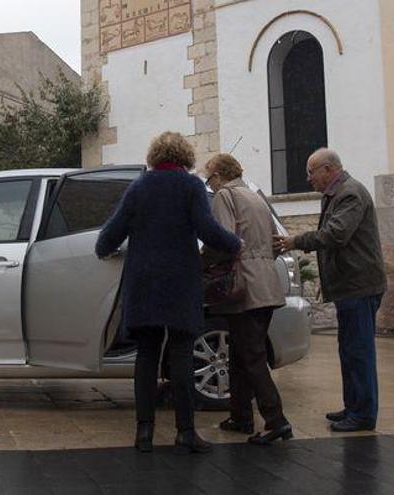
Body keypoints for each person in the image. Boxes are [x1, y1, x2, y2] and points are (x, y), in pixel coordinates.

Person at [95, 132, 242, 454]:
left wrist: (106, 250)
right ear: (184, 157)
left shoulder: (139, 187)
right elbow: (207, 229)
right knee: (181, 357)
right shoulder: (190, 186)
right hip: (180, 283)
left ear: (155, 155)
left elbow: (109, 235)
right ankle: (185, 432)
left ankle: (144, 433)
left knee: (146, 358)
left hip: (144, 284)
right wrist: (235, 244)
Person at [273, 148, 387, 432]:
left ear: (328, 169)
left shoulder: (350, 194)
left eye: (312, 172)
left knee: (358, 351)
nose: (309, 179)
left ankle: (362, 414)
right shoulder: (337, 194)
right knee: (349, 349)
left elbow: (336, 234)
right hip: (351, 287)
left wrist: (294, 241)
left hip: (359, 286)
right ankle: (354, 406)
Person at [203, 154, 293, 445]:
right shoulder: (256, 197)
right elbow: (277, 242)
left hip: (244, 286)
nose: (210, 185)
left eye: (210, 179)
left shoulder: (225, 197)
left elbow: (224, 240)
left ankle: (276, 421)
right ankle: (240, 416)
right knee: (241, 354)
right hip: (267, 285)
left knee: (251, 356)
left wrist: (201, 263)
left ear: (218, 175)